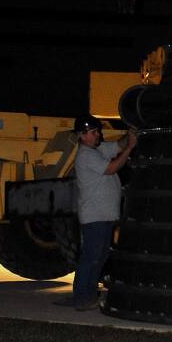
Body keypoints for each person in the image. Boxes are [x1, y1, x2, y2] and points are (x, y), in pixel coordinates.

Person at [71, 115, 137, 311]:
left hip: (103, 216)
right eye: (93, 132)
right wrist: (130, 148)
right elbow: (112, 167)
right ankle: (82, 296)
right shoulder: (86, 155)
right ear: (82, 136)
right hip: (95, 217)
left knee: (98, 257)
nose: (98, 134)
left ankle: (88, 295)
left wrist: (129, 135)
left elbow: (116, 146)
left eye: (97, 131)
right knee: (91, 257)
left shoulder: (97, 149)